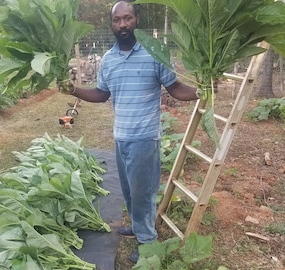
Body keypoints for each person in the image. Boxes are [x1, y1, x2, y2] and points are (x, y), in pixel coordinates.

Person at [61, 0, 199, 264]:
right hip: (120, 137)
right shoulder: (109, 60)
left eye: (127, 18)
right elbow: (102, 94)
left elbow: (175, 88)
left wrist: (199, 93)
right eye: (117, 20)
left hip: (145, 138)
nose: (122, 24)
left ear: (136, 20)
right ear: (112, 24)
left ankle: (147, 243)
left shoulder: (154, 53)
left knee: (143, 193)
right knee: (128, 191)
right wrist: (73, 90)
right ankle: (137, 227)